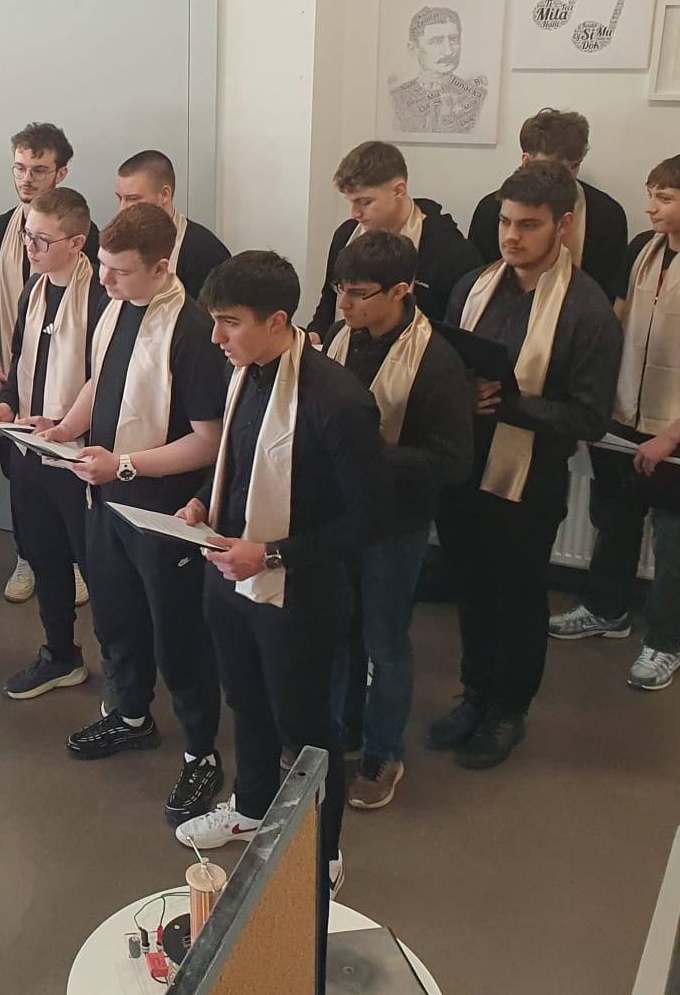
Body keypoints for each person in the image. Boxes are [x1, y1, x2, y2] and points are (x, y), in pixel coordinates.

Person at [170, 251, 386, 900]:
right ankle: (251, 806)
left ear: (278, 321)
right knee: (244, 700)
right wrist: (204, 502)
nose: (216, 337)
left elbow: (368, 520)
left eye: (230, 323)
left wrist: (268, 555)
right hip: (228, 574)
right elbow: (237, 461)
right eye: (214, 320)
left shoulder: (338, 401)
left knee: (308, 729)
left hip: (298, 591)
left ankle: (324, 851)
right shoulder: (241, 370)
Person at [34, 204, 226, 824]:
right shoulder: (115, 304)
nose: (106, 280)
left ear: (162, 267)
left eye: (120, 271)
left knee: (178, 635)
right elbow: (102, 380)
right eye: (104, 267)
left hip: (166, 511)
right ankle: (131, 715)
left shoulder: (193, 331)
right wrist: (64, 427)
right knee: (116, 619)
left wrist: (123, 465)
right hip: (109, 502)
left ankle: (201, 751)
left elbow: (208, 441)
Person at [429, 162, 621, 769]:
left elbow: (591, 418)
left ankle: (509, 710)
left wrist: (512, 405)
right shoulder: (473, 285)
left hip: (529, 479)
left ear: (562, 226)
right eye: (506, 222)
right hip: (464, 465)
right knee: (471, 588)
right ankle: (475, 694)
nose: (511, 236)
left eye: (528, 225)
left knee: (517, 596)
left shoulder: (587, 309)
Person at [550, 153, 680, 691]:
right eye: (651, 195)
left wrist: (673, 434)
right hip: (622, 413)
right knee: (613, 519)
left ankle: (665, 642)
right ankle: (606, 610)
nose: (651, 207)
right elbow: (614, 325)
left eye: (665, 198)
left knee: (675, 541)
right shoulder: (641, 249)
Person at [320, 232, 473, 810]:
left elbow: (454, 462)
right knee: (339, 630)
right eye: (340, 289)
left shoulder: (436, 361)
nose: (343, 305)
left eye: (358, 294)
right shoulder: (341, 336)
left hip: (395, 522)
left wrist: (369, 453)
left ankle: (384, 753)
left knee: (384, 641)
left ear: (401, 291)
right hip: (338, 513)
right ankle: (341, 734)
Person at [0, 188, 108, 700]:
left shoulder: (102, 296)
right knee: (45, 557)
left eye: (41, 240)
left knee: (98, 570)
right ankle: (60, 655)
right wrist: (6, 404)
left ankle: (124, 682)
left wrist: (67, 423)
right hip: (31, 449)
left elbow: (109, 381)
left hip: (80, 458)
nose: (29, 248)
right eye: (27, 236)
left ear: (77, 242)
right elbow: (19, 365)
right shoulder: (34, 288)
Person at [0, 124, 89, 607]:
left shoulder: (84, 243)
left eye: (39, 170)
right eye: (20, 168)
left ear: (60, 173)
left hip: (70, 386)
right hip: (17, 371)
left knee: (67, 480)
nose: (27, 178)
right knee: (19, 472)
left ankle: (74, 562)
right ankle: (28, 555)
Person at [306, 142, 479, 333]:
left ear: (398, 191)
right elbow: (330, 298)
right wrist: (317, 333)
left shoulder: (451, 253)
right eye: (351, 202)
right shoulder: (346, 235)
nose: (355, 213)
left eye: (365, 202)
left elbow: (454, 328)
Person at [465, 109, 630, 297]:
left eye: (575, 165)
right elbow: (481, 280)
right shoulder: (491, 210)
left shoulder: (607, 215)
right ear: (527, 161)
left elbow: (607, 291)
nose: (566, 177)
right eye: (553, 168)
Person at [115, 149, 231, 297]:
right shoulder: (120, 240)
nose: (122, 209)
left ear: (165, 194)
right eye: (120, 198)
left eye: (133, 199)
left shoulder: (205, 252)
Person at [388, 4, 489, 134]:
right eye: (436, 41)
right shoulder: (395, 99)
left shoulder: (478, 98)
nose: (448, 51)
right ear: (414, 49)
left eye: (453, 40)